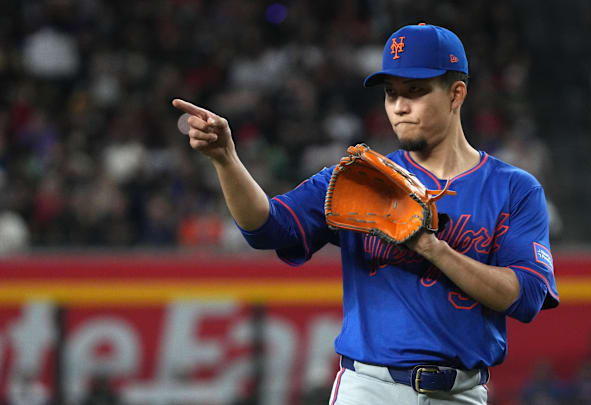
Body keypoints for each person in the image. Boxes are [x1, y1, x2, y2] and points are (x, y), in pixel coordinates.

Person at [173, 23, 559, 405]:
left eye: (416, 92)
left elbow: (525, 297)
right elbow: (268, 228)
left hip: (461, 393)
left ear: (456, 94)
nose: (399, 106)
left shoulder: (514, 189)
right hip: (370, 388)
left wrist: (431, 247)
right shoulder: (359, 180)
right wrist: (226, 160)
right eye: (391, 94)